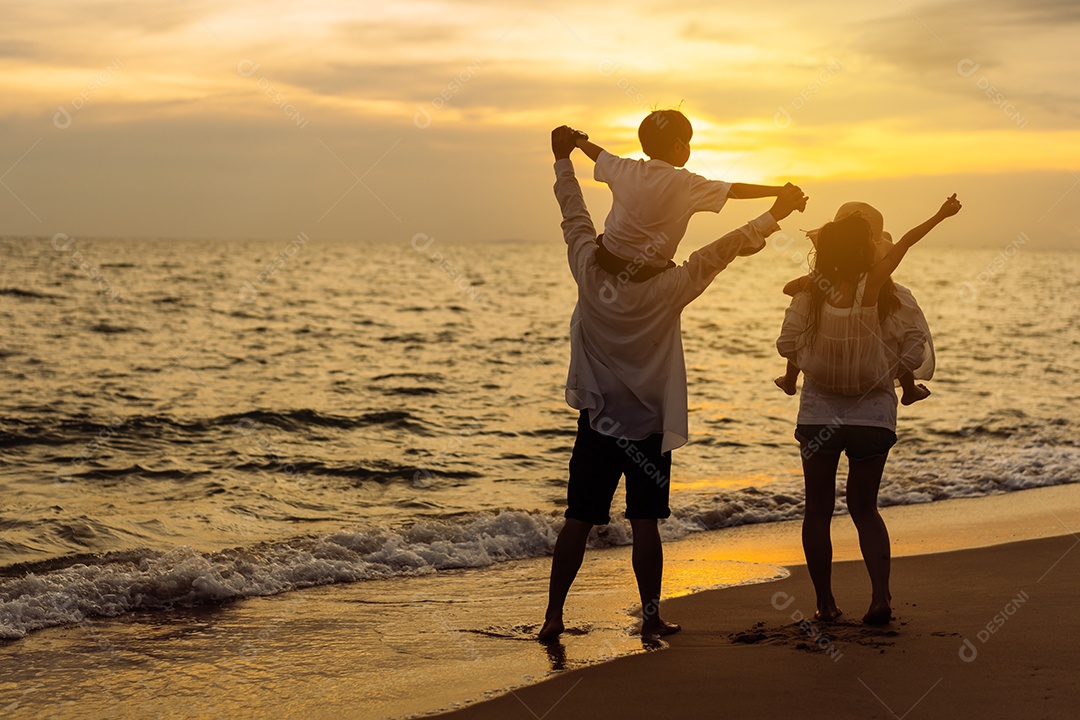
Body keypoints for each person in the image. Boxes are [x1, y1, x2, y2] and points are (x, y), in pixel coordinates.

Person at [539, 125, 806, 642]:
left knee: (577, 519)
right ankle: (652, 617)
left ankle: (553, 617)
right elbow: (723, 248)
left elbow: (573, 212)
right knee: (645, 524)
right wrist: (778, 211)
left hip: (599, 421)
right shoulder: (672, 285)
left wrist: (563, 158)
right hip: (648, 428)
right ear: (679, 149)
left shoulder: (586, 269)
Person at [776, 194, 962, 625]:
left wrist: (792, 376)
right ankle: (880, 597)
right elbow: (912, 343)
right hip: (872, 418)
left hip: (819, 415)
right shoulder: (882, 288)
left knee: (817, 510)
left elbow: (791, 342)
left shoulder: (813, 290)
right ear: (870, 246)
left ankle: (825, 604)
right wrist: (939, 212)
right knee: (864, 508)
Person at [774, 198, 960, 404]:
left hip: (822, 372)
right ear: (865, 249)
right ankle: (909, 391)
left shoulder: (820, 282)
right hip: (871, 375)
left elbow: (787, 289)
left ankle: (790, 380)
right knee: (900, 332)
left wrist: (810, 288)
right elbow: (906, 241)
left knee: (802, 323)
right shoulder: (873, 282)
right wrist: (940, 216)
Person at [572, 109, 792, 273]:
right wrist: (777, 190)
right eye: (687, 142)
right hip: (649, 271)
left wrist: (578, 140)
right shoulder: (686, 183)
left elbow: (600, 155)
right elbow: (733, 190)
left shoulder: (625, 168)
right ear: (678, 147)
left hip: (608, 260)